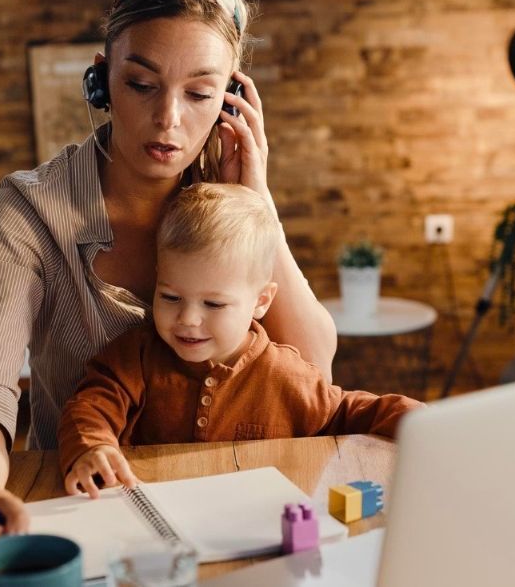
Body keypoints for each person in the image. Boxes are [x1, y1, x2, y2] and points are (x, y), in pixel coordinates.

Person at [0, 0, 338, 572]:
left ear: (232, 99)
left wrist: (257, 201)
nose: (167, 119)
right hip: (85, 503)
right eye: (141, 84)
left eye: (200, 94)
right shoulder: (30, 210)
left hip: (237, 506)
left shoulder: (229, 198)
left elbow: (311, 367)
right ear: (102, 78)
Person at [60, 183, 422, 498]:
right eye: (170, 297)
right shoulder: (134, 357)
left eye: (213, 303)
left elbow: (347, 412)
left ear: (261, 301)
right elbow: (89, 407)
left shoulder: (286, 375)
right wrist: (93, 448)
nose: (187, 319)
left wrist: (425, 425)